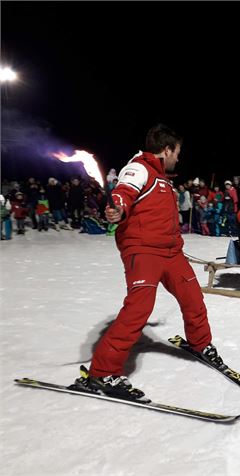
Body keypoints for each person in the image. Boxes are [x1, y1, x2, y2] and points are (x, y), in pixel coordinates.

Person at [73, 124, 220, 402]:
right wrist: (117, 207)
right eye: (177, 152)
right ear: (167, 150)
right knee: (139, 307)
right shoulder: (139, 168)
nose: (179, 157)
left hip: (171, 253)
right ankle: (102, 372)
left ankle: (200, 343)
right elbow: (123, 191)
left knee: (192, 297)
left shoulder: (162, 177)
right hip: (143, 252)